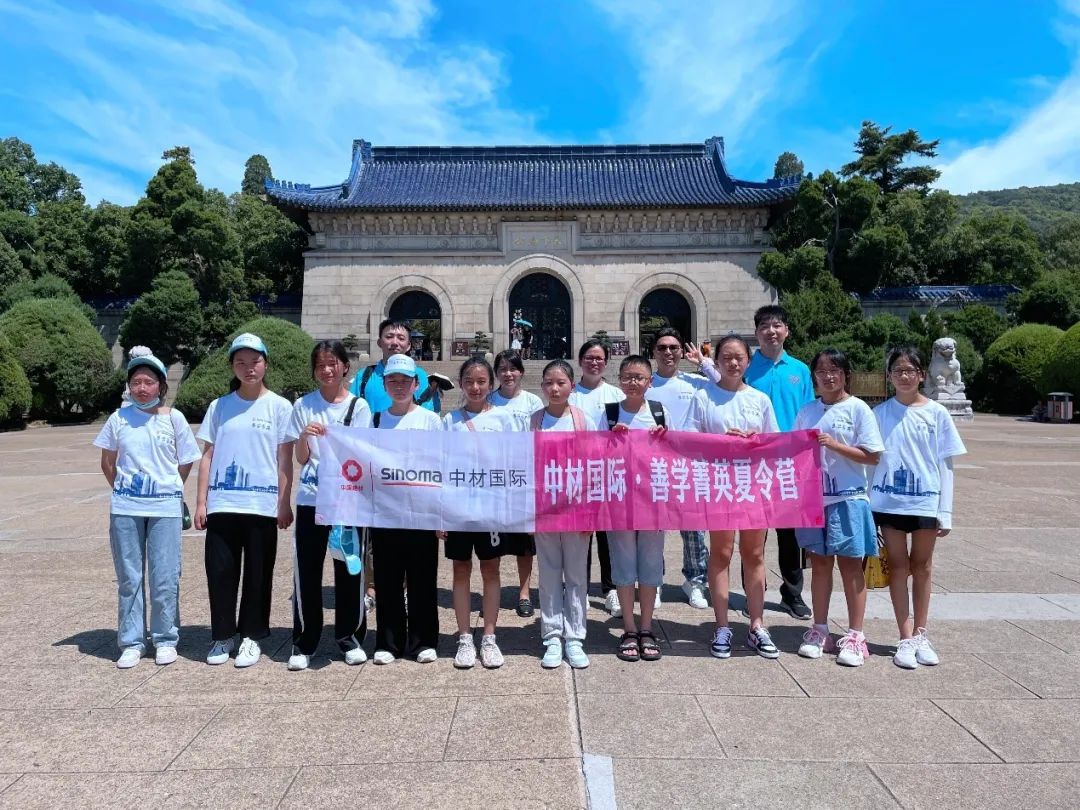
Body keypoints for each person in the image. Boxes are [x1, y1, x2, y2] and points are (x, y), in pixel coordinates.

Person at [94, 348, 201, 668]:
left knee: (165, 576)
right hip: (126, 507)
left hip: (164, 509)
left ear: (161, 386)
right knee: (129, 577)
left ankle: (165, 638)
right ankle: (132, 641)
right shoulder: (119, 418)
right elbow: (107, 462)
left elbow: (186, 461)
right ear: (129, 386)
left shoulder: (174, 418)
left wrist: (169, 488)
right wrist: (125, 490)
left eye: (149, 382)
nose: (142, 388)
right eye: (136, 382)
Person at [195, 333, 295, 668]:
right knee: (220, 572)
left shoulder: (280, 406)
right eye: (241, 362)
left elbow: (284, 459)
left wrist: (284, 502)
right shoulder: (220, 406)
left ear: (266, 364)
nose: (249, 368)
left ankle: (251, 636)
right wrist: (201, 502)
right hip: (223, 503)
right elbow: (207, 456)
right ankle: (223, 635)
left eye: (255, 361)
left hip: (261, 506)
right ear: (232, 366)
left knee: (258, 573)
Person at [871, 347, 967, 670]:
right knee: (898, 567)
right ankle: (905, 636)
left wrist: (946, 511)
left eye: (910, 370)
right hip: (889, 502)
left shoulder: (937, 413)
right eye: (898, 370)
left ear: (921, 375)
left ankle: (922, 633)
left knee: (922, 566)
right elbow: (871, 462)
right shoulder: (880, 414)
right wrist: (868, 504)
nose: (904, 376)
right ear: (890, 376)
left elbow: (946, 464)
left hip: (926, 501)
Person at [688, 334, 781, 659]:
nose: (732, 362)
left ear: (748, 361)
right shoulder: (704, 396)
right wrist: (720, 441)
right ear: (716, 361)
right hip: (719, 486)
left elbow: (775, 443)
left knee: (754, 554)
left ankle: (756, 625)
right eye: (726, 357)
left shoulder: (759, 399)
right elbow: (689, 440)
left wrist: (756, 440)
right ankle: (722, 626)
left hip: (752, 485)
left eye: (738, 357)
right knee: (722, 553)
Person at [285, 340, 372, 671]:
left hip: (348, 499)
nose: (326, 370)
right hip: (311, 498)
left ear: (344, 367)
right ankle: (304, 641)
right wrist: (304, 437)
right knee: (307, 570)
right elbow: (301, 458)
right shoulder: (303, 405)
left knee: (349, 569)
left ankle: (349, 637)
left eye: (332, 363)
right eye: (320, 364)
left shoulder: (358, 406)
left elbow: (361, 452)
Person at [794, 349, 884, 667]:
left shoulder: (858, 409)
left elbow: (872, 455)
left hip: (849, 497)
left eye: (835, 370)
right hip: (815, 500)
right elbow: (793, 450)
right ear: (814, 377)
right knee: (819, 566)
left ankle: (856, 635)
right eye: (821, 371)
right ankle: (820, 629)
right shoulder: (807, 411)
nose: (828, 376)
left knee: (850, 566)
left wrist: (835, 445)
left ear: (846, 374)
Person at [441, 358, 519, 669]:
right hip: (459, 508)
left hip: (491, 507)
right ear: (461, 384)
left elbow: (513, 463)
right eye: (469, 381)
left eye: (481, 381)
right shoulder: (450, 421)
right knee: (460, 569)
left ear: (491, 384)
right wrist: (441, 514)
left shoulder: (504, 419)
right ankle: (464, 637)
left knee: (491, 570)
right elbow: (441, 467)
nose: (475, 387)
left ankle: (489, 636)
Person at [369, 353, 444, 664]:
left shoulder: (430, 420)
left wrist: (441, 513)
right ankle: (389, 643)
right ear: (385, 384)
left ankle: (423, 641)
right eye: (393, 380)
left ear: (416, 384)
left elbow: (440, 466)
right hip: (385, 512)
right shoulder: (375, 420)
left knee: (422, 579)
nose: (399, 386)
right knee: (387, 579)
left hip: (421, 511)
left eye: (405, 381)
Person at [744, 305, 815, 620]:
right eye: (764, 326)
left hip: (790, 463)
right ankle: (752, 592)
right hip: (752, 463)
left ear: (787, 330)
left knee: (790, 534)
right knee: (752, 533)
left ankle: (792, 593)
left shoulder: (800, 370)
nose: (771, 331)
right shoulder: (746, 368)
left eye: (777, 325)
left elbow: (810, 413)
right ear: (756, 332)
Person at [645, 327, 720, 610]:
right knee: (655, 529)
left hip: (691, 465)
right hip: (655, 466)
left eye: (673, 347)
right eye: (662, 347)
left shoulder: (696, 382)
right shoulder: (647, 384)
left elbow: (726, 385)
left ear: (681, 352)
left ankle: (695, 582)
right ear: (653, 352)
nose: (668, 352)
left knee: (694, 529)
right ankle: (655, 581)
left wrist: (704, 363)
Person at [531, 359, 600, 669]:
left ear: (572, 386)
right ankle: (552, 636)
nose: (554, 388)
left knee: (575, 576)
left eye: (561, 383)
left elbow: (595, 468)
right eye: (549, 383)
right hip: (544, 510)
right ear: (542, 387)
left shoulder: (583, 421)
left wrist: (591, 512)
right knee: (548, 574)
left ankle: (574, 636)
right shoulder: (534, 421)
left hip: (576, 510)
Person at [605, 355, 670, 662]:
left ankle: (646, 627)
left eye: (639, 377)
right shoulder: (608, 413)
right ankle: (629, 628)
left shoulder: (659, 412)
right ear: (619, 380)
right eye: (628, 377)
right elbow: (592, 455)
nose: (633, 382)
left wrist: (664, 439)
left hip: (653, 502)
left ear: (650, 382)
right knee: (623, 565)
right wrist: (610, 440)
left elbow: (674, 454)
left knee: (650, 565)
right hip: (619, 502)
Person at [568, 339, 625, 617]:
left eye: (599, 358)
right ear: (580, 361)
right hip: (578, 472)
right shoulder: (569, 394)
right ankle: (579, 588)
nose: (594, 362)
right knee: (580, 534)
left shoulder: (616, 394)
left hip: (609, 471)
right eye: (589, 357)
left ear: (606, 362)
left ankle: (611, 588)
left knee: (607, 533)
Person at [488, 349, 544, 617]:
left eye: (513, 368)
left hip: (523, 480)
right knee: (493, 541)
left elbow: (539, 439)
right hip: (495, 481)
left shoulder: (533, 402)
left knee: (525, 544)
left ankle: (524, 593)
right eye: (502, 369)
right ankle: (493, 590)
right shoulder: (489, 400)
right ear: (496, 373)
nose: (508, 374)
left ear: (521, 372)